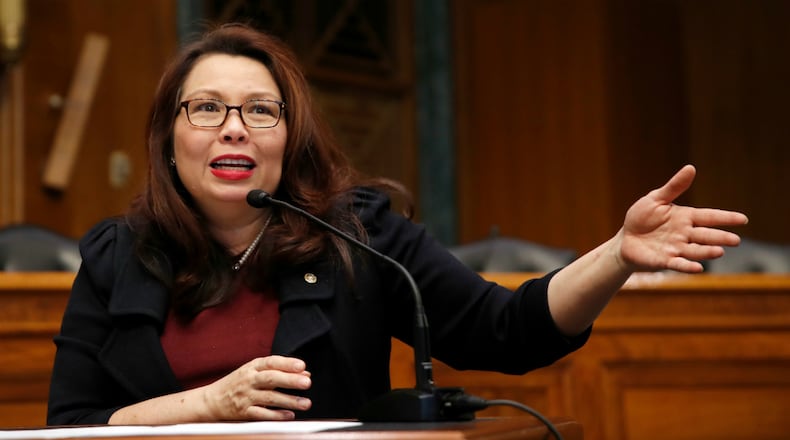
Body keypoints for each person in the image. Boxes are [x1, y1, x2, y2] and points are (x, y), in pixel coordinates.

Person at [46, 23, 748, 426]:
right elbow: (68, 429)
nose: (234, 128)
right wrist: (207, 405)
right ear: (169, 140)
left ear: (289, 139)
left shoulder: (359, 236)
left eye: (261, 110)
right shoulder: (115, 257)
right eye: (206, 108)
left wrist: (616, 254)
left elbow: (508, 330)